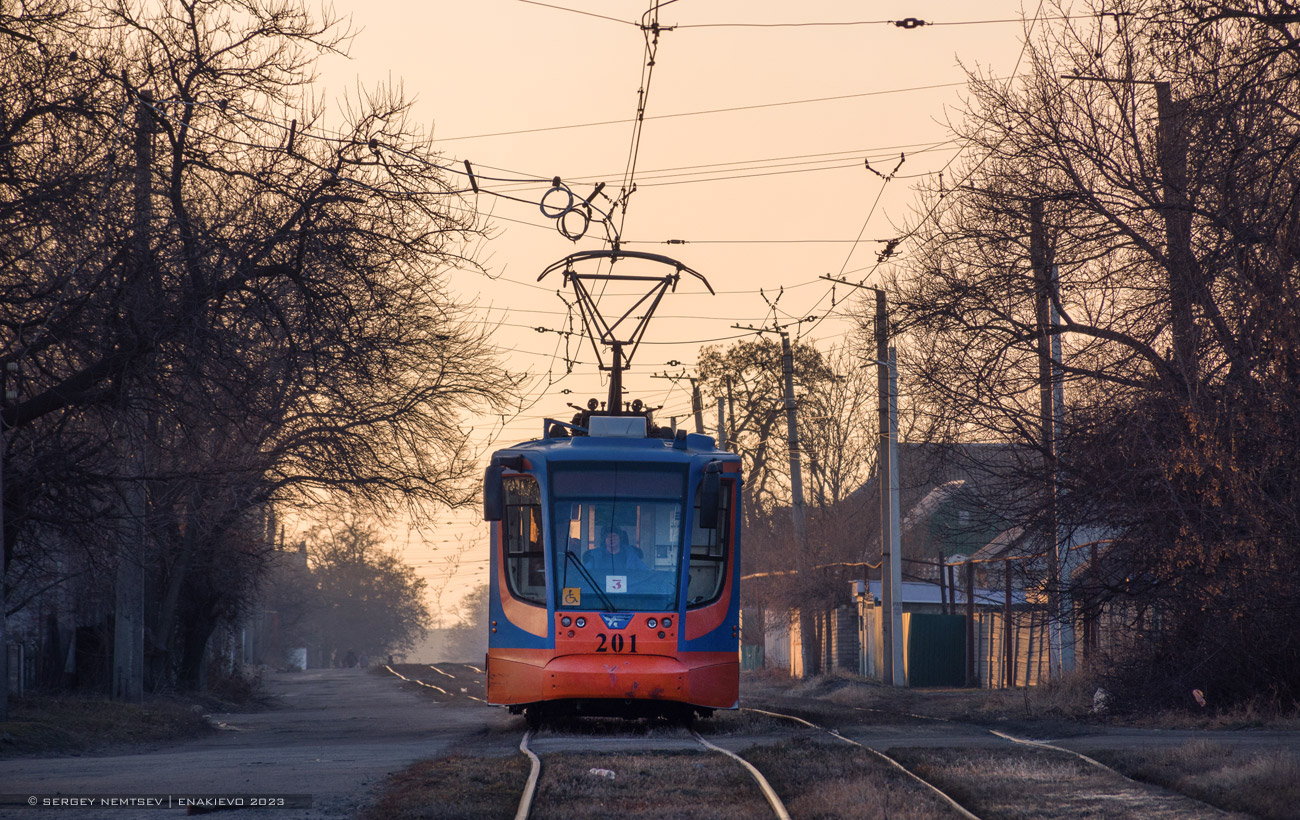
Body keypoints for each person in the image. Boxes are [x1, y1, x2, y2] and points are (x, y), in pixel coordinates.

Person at [583, 528, 649, 573]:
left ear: (620, 538)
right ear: (604, 540)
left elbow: (647, 572)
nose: (612, 539)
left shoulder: (631, 554)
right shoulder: (595, 555)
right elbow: (583, 573)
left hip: (629, 591)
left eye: (614, 536)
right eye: (608, 537)